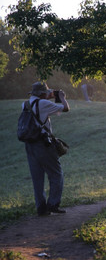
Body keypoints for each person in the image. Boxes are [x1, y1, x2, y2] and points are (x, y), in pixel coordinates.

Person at [24, 81, 70, 216]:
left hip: (30, 144)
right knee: (56, 174)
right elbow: (65, 108)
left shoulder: (26, 104)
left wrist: (47, 97)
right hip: (43, 144)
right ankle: (53, 204)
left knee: (37, 178)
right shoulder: (43, 104)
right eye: (47, 92)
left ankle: (41, 208)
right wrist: (61, 97)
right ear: (43, 93)